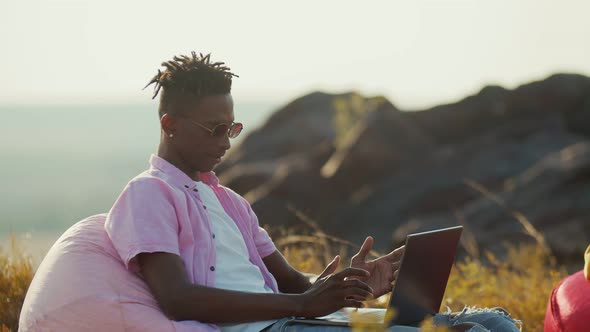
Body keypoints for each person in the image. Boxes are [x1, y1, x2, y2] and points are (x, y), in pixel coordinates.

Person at [19, 52, 520, 332]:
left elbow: (293, 284)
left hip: (298, 322)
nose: (225, 142)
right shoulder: (148, 195)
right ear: (170, 125)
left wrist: (353, 283)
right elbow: (177, 299)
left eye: (232, 128)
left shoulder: (231, 203)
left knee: (495, 325)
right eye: (214, 129)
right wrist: (304, 308)